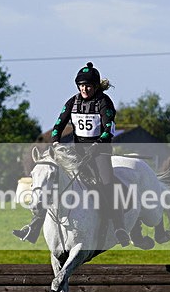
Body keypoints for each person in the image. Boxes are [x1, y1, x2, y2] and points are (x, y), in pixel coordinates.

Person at [13, 62, 131, 247]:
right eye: (81, 85)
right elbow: (58, 125)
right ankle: (34, 227)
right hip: (77, 152)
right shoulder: (73, 102)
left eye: (88, 86)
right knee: (54, 183)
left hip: (100, 152)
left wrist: (97, 144)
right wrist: (56, 141)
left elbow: (108, 130)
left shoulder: (104, 102)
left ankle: (119, 227)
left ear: (96, 86)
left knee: (107, 184)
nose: (84, 89)